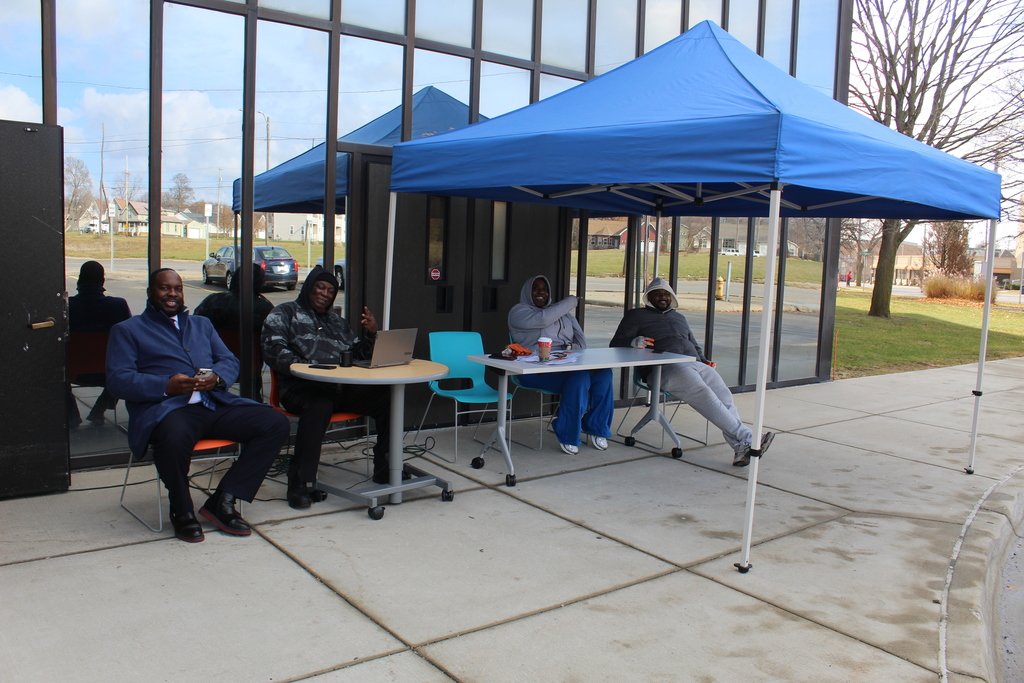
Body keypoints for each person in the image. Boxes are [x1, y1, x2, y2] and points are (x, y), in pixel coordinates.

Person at [107, 269, 290, 543]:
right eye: (164, 288)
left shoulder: (201, 324)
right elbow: (118, 380)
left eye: (177, 289)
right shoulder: (127, 330)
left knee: (275, 423)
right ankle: (182, 510)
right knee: (172, 438)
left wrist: (217, 378)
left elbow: (230, 361)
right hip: (169, 409)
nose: (172, 294)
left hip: (213, 403)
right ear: (150, 292)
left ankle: (223, 499)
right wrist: (165, 385)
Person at [262, 266, 392, 509]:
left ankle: (385, 467)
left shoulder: (336, 321)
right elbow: (273, 352)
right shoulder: (284, 313)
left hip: (340, 388)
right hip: (301, 388)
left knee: (388, 396)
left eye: (330, 290)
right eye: (320, 287)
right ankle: (300, 482)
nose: (324, 293)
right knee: (319, 403)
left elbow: (358, 355)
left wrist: (372, 334)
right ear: (309, 286)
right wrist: (312, 368)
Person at [610, 277, 773, 467]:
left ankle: (740, 446)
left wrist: (704, 360)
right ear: (649, 297)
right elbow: (615, 344)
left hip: (694, 364)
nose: (663, 297)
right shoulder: (636, 315)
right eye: (658, 294)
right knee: (705, 394)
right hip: (664, 368)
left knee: (724, 396)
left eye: (666, 294)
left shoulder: (679, 317)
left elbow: (693, 343)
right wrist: (633, 342)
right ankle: (748, 437)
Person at [508, 275, 614, 455]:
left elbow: (581, 340)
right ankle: (567, 433)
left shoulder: (563, 314)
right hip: (533, 369)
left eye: (544, 288)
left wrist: (578, 358)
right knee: (579, 377)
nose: (541, 292)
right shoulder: (519, 311)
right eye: (536, 288)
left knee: (604, 373)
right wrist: (571, 301)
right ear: (527, 291)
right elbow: (543, 319)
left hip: (566, 364)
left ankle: (596, 426)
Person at [194, 266, 275, 400]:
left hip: (213, 364)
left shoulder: (212, 301)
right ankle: (255, 401)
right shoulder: (266, 308)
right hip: (250, 367)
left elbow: (196, 329)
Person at [67, 260, 132, 426]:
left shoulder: (68, 308)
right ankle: (99, 409)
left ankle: (72, 415)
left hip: (73, 371)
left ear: (79, 281)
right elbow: (131, 338)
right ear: (102, 282)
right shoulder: (118, 306)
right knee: (126, 365)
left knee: (56, 373)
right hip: (108, 372)